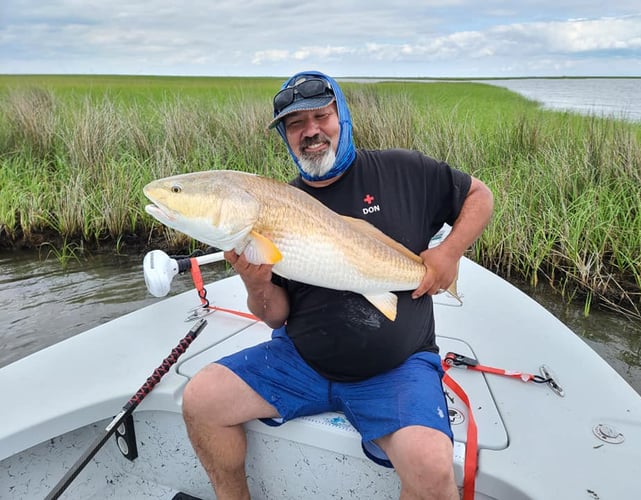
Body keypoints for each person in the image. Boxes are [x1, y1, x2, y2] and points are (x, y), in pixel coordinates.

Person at [182, 70, 494, 500]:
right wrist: (256, 285)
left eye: (320, 116)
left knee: (431, 466)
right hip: (300, 360)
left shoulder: (403, 170)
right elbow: (275, 314)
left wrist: (448, 253)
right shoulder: (280, 203)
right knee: (201, 400)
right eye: (295, 125)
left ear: (342, 116)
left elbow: (480, 196)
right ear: (287, 138)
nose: (310, 132)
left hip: (397, 368)